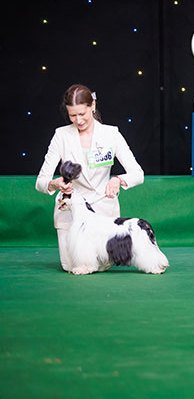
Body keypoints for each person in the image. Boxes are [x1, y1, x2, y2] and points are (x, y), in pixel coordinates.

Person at [35, 84, 145, 271]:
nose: (78, 120)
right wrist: (54, 183)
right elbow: (40, 182)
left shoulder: (111, 134)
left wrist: (118, 180)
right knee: (71, 266)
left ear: (93, 105)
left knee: (98, 266)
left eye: (82, 114)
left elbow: (138, 174)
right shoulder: (61, 135)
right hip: (71, 216)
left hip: (104, 219)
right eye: (72, 115)